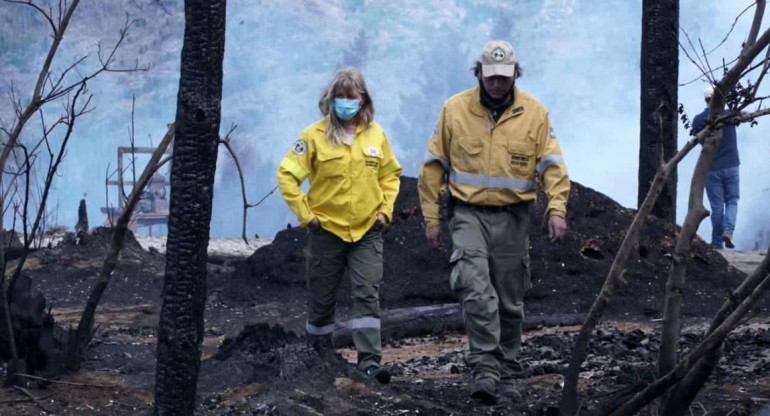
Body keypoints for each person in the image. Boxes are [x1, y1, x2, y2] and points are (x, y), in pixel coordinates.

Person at [417, 40, 569, 404]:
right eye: (491, 77)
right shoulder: (454, 110)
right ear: (479, 74)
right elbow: (433, 166)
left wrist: (557, 208)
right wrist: (432, 218)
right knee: (476, 291)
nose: (497, 84)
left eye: (504, 77)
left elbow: (552, 165)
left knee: (508, 301)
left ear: (515, 74)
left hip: (514, 218)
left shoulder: (534, 113)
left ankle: (509, 371)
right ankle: (485, 369)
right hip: (467, 215)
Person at [277, 68, 402, 384]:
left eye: (352, 96)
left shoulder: (377, 135)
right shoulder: (313, 136)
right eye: (340, 96)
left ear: (363, 99)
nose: (346, 102)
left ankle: (369, 362)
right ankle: (318, 355)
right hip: (327, 230)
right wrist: (307, 216)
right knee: (321, 296)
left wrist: (385, 212)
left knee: (367, 294)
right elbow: (287, 176)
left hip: (367, 230)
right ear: (331, 99)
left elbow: (390, 175)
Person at [692, 84, 740, 249]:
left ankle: (717, 242)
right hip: (732, 165)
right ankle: (728, 230)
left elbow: (698, 140)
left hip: (711, 168)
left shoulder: (699, 120)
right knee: (732, 201)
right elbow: (746, 116)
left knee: (717, 206)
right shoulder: (729, 115)